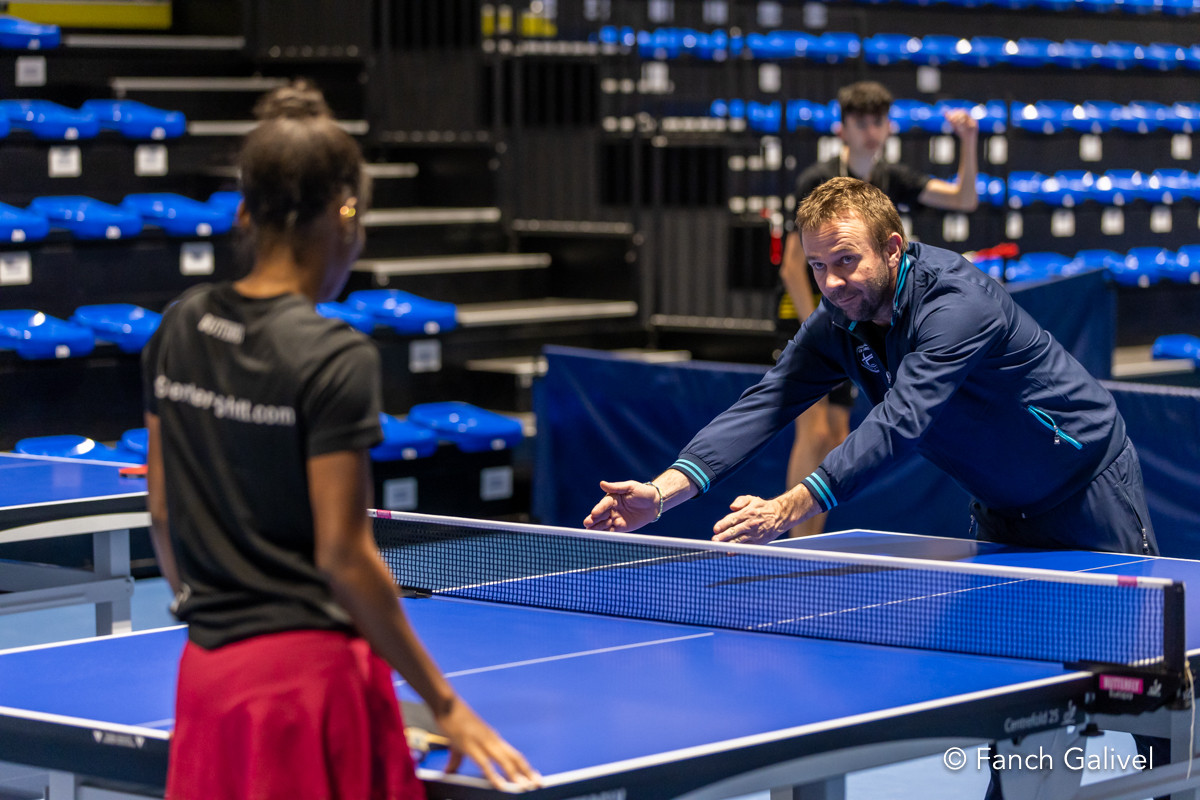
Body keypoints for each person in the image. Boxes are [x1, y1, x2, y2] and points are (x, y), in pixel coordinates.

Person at [585, 177, 1162, 795]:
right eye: (817, 266)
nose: (832, 283)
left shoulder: (956, 303)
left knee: (1142, 694)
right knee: (1024, 701)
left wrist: (789, 506)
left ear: (892, 248)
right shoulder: (841, 318)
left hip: (1086, 489)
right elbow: (768, 400)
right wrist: (663, 492)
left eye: (845, 260)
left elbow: (901, 420)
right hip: (1002, 512)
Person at [143, 113, 539, 798]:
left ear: (245, 212)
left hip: (207, 674)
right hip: (308, 687)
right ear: (344, 215)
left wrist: (201, 609)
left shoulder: (179, 325)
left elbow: (161, 507)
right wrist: (444, 703)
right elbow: (344, 556)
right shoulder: (335, 357)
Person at [778, 80, 979, 536]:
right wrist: (822, 328)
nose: (870, 131)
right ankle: (795, 548)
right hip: (808, 312)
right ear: (842, 129)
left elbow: (964, 199)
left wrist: (968, 141)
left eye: (877, 122)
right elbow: (792, 268)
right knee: (814, 432)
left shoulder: (891, 180)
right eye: (860, 122)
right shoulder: (818, 181)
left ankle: (810, 540)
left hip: (854, 320)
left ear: (888, 127)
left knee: (836, 436)